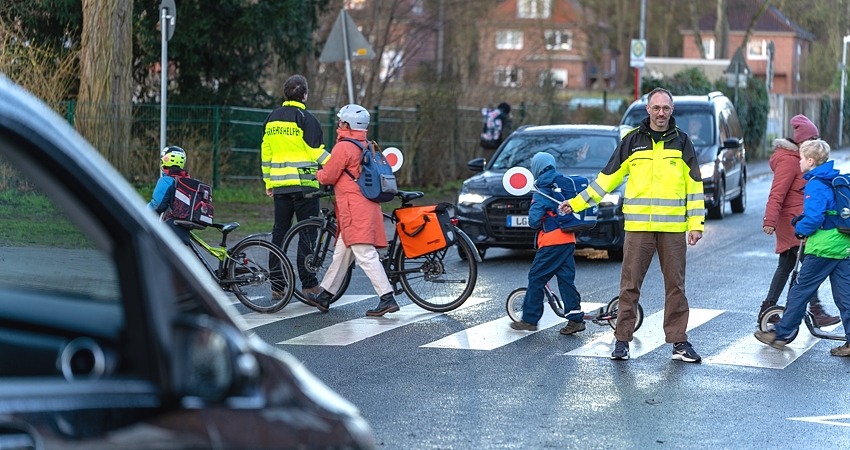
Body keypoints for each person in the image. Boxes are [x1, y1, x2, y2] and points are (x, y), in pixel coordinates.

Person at [560, 87, 705, 362]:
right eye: (656, 108)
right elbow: (607, 179)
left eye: (665, 108)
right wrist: (577, 203)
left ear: (671, 111)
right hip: (638, 228)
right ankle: (622, 341)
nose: (661, 113)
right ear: (648, 110)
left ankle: (679, 343)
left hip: (673, 230)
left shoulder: (683, 142)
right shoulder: (632, 141)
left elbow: (695, 187)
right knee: (629, 286)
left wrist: (695, 224)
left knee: (676, 286)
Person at [754, 139, 850, 357]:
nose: (798, 163)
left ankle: (780, 334)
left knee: (800, 290)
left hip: (823, 248)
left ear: (810, 160)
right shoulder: (835, 178)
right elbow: (830, 212)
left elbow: (816, 218)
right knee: (845, 296)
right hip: (843, 245)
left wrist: (801, 228)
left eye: (800, 159)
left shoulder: (816, 183)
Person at [307, 104, 400, 317]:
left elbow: (329, 175)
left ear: (347, 124)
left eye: (341, 121)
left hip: (354, 209)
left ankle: (387, 298)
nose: (338, 124)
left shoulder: (343, 147)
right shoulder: (366, 144)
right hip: (364, 206)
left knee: (365, 255)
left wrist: (317, 175)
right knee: (341, 253)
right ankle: (325, 296)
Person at [760, 114, 839, 327]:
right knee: (809, 268)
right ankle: (816, 310)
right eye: (812, 138)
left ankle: (768, 309)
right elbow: (777, 192)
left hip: (799, 220)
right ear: (802, 141)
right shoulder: (789, 161)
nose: (815, 142)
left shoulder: (801, 159)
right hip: (791, 223)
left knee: (785, 266)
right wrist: (770, 219)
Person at [261, 74, 330, 299]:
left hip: (280, 186)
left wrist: (268, 182)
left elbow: (266, 154)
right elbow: (316, 152)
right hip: (304, 187)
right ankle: (309, 285)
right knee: (306, 232)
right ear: (305, 95)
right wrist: (338, 166)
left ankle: (277, 286)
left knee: (279, 232)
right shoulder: (306, 118)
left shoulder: (271, 118)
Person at [509, 152, 585, 335]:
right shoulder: (563, 183)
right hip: (568, 238)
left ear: (536, 168)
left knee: (536, 278)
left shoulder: (542, 188)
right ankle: (575, 319)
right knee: (566, 280)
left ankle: (529, 319)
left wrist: (538, 214)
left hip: (552, 242)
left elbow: (534, 221)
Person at [148, 145, 192, 245]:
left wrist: (143, 212)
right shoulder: (187, 181)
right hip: (185, 222)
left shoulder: (166, 181)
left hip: (172, 224)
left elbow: (157, 205)